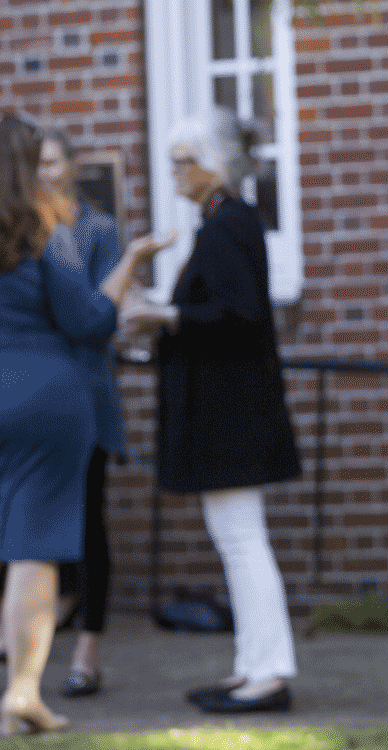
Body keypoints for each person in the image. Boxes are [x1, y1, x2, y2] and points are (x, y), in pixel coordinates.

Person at [122, 107, 302, 714]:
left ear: (211, 167)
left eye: (182, 161)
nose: (172, 170)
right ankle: (253, 666)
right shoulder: (223, 222)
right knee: (237, 539)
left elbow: (240, 318)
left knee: (243, 540)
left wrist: (163, 315)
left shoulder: (229, 225)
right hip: (230, 420)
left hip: (231, 422)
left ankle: (269, 673)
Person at [0, 113, 165, 735]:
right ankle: (22, 693)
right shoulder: (44, 230)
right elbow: (93, 320)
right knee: (33, 549)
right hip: (47, 399)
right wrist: (130, 263)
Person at [34, 127, 123, 699]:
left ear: (70, 165)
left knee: (88, 520)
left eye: (53, 161)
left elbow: (100, 312)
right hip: (30, 392)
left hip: (85, 391)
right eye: (35, 162)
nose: (44, 171)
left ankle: (87, 651)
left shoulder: (97, 230)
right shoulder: (17, 227)